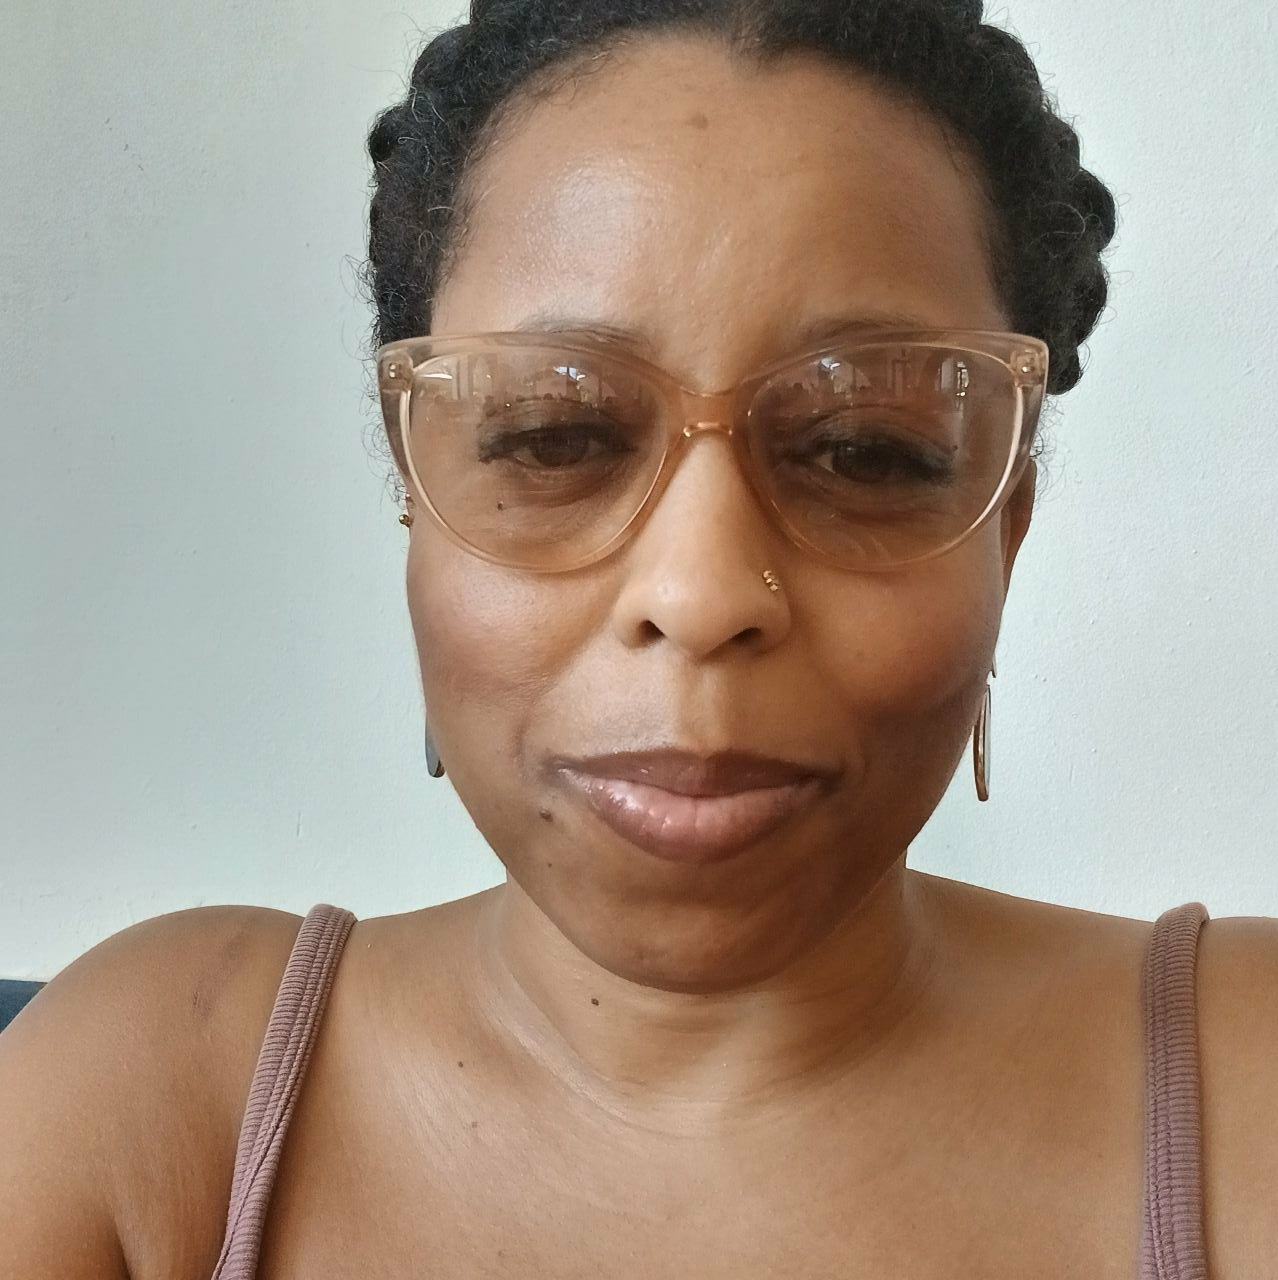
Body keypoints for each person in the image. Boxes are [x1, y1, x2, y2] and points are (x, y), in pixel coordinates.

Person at [3, 1, 1276, 1277]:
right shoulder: (144, 1099)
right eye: (553, 437)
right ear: (418, 501)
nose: (704, 590)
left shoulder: (1251, 1079)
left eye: (865, 450)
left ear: (1005, 528)